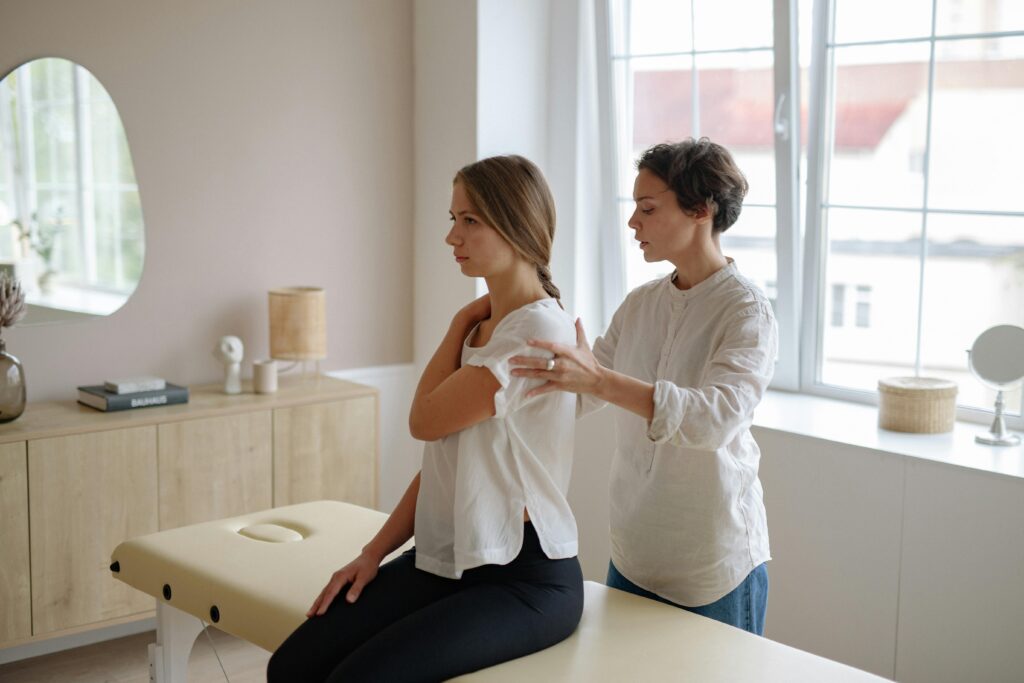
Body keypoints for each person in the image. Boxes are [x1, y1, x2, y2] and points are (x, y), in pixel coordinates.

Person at [267, 155, 583, 682]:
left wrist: (459, 321)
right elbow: (446, 462)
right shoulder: (491, 328)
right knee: (292, 668)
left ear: (514, 224)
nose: (451, 236)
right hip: (447, 559)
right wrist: (372, 553)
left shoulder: (535, 335)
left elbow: (424, 420)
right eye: (452, 218)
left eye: (469, 221)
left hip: (523, 579)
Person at [509, 137, 777, 635]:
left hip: (711, 568)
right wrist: (506, 399)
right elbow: (584, 392)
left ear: (701, 209)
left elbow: (714, 420)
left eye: (648, 208)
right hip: (632, 556)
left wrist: (599, 379)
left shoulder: (747, 312)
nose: (633, 222)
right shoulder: (641, 304)